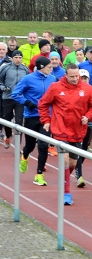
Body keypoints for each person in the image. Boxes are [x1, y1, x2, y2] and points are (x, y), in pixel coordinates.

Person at [38, 64, 92, 205]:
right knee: (65, 159)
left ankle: (65, 179)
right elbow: (43, 104)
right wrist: (46, 120)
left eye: (76, 76)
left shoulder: (87, 89)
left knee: (72, 162)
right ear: (65, 75)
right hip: (60, 130)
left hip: (78, 131)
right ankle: (67, 192)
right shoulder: (55, 87)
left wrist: (88, 117)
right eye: (71, 76)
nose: (74, 79)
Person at [12, 57, 57, 186]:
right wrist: (27, 103)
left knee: (43, 146)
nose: (51, 69)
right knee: (30, 146)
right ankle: (25, 156)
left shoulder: (52, 79)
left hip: (46, 118)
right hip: (31, 116)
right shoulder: (28, 79)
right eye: (49, 67)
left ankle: (39, 174)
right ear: (42, 67)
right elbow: (15, 94)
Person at [0, 50, 29, 148]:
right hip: (7, 97)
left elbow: (28, 82)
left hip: (20, 99)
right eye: (16, 58)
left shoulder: (25, 69)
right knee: (7, 120)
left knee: (19, 121)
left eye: (20, 58)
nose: (18, 60)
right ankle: (8, 136)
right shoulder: (5, 68)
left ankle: (18, 145)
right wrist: (3, 88)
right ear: (12, 58)